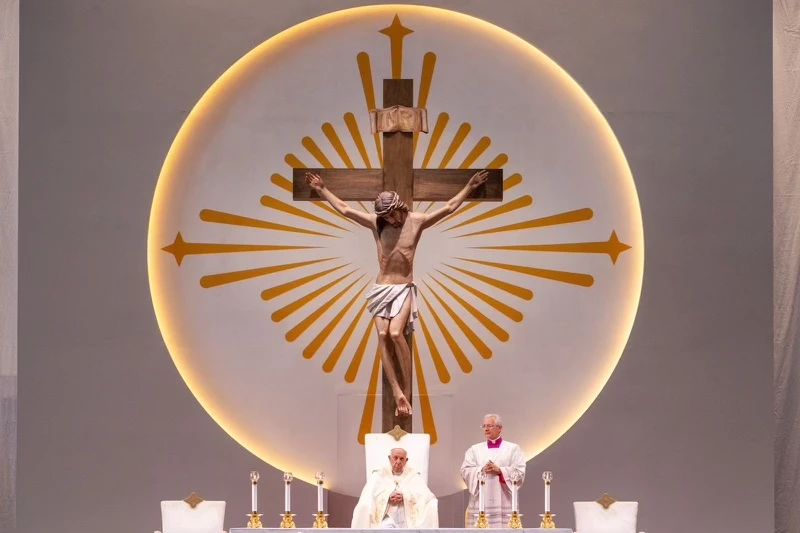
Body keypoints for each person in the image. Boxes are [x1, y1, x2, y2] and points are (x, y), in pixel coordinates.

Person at [305, 170, 489, 417]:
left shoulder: (417, 221)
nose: (392, 221)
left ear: (400, 208)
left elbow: (448, 207)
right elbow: (346, 210)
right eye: (387, 217)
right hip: (382, 288)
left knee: (395, 333)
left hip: (403, 288)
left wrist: (469, 186)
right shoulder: (377, 223)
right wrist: (322, 189)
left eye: (393, 215)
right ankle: (396, 391)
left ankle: (407, 387)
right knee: (382, 334)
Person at [460, 414, 525, 528]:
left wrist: (500, 471)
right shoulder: (474, 450)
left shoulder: (513, 449)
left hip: (505, 500)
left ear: (500, 428)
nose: (486, 429)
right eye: (484, 426)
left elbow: (519, 472)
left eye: (490, 425)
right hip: (481, 501)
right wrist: (481, 470)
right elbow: (465, 471)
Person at [351, 447, 439, 528]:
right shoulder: (379, 475)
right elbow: (367, 498)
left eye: (401, 459)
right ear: (389, 458)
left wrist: (405, 497)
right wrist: (387, 496)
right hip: (387, 518)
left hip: (407, 520)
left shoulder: (413, 476)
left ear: (406, 460)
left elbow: (427, 497)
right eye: (395, 458)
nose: (398, 461)